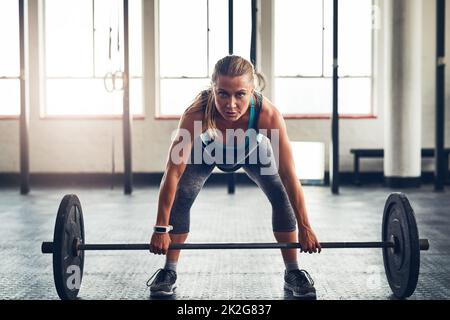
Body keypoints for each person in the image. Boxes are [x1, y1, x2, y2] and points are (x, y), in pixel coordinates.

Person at [147, 55, 321, 298]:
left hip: (253, 153)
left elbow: (289, 174)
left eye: (240, 94)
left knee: (281, 194)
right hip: (205, 154)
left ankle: (293, 271)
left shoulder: (267, 115)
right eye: (223, 94)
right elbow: (173, 171)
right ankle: (169, 271)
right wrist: (160, 228)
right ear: (213, 90)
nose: (231, 104)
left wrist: (305, 227)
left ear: (252, 91)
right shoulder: (196, 113)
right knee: (183, 194)